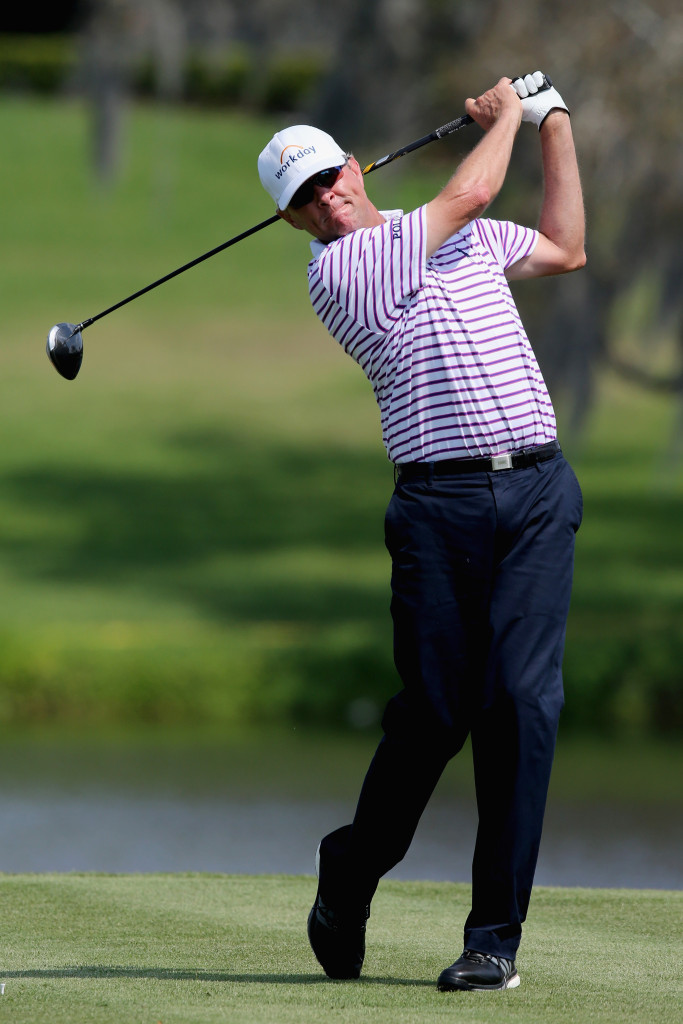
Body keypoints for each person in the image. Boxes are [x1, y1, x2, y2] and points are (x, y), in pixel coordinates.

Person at [257, 71, 585, 993]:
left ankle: (493, 942)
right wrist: (510, 114)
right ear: (294, 221)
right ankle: (348, 875)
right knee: (436, 716)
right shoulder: (344, 271)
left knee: (521, 708)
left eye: (329, 177)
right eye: (304, 198)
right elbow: (473, 188)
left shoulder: (463, 238)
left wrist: (553, 122)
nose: (326, 198)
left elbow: (564, 246)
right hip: (438, 512)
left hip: (535, 496)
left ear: (355, 167)